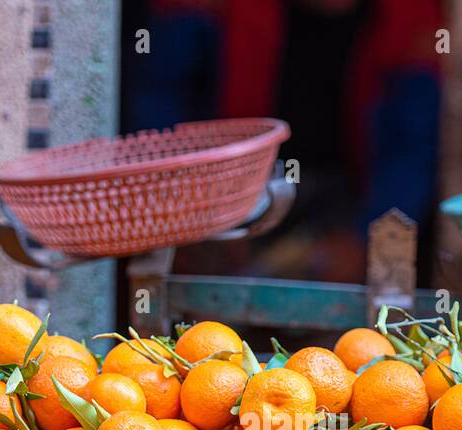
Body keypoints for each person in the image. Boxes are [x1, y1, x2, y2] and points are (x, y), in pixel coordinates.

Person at [122, 0, 443, 282]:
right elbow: (159, 110)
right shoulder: (206, 11)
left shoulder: (411, 22)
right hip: (229, 191)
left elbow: (414, 147)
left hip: (347, 199)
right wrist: (186, 212)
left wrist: (366, 236)